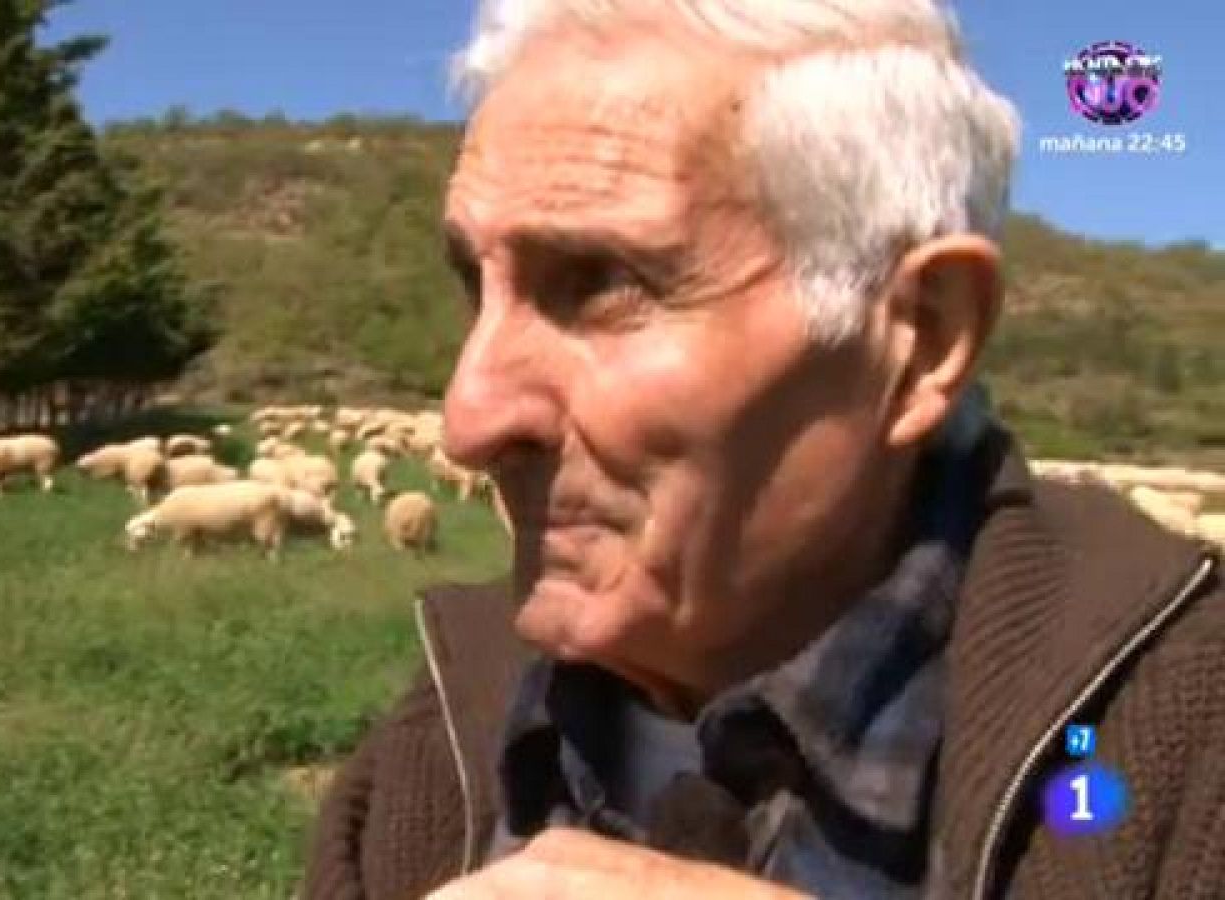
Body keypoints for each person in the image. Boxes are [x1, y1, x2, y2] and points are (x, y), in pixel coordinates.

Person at [302, 1, 1224, 898]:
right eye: (477, 283)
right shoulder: (446, 736)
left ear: (919, 336)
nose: (468, 422)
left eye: (600, 284)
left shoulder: (1186, 748)